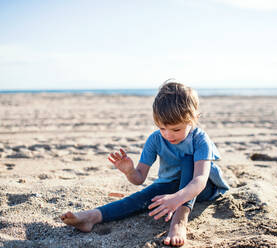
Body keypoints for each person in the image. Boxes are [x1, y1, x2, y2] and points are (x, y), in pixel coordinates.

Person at [60, 79, 229, 247]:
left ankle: (179, 222)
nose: (168, 135)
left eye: (176, 129)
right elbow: (139, 179)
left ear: (193, 119)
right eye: (162, 128)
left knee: (187, 160)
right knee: (138, 198)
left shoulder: (200, 139)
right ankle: (91, 217)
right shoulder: (155, 139)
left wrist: (177, 199)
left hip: (203, 189)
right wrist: (130, 171)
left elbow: (199, 180)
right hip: (170, 186)